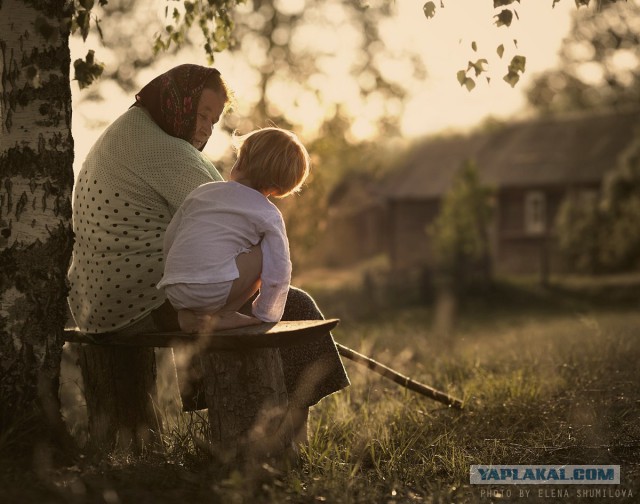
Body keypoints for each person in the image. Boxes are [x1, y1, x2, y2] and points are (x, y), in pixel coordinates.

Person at [67, 64, 349, 434]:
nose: (206, 129)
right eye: (202, 115)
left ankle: (251, 419)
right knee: (294, 306)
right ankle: (280, 437)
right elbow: (237, 234)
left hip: (95, 301)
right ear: (178, 102)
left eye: (214, 121)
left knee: (225, 291)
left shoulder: (129, 130)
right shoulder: (170, 154)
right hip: (138, 303)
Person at [157, 127, 311, 334]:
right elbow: (279, 269)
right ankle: (224, 314)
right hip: (213, 290)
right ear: (280, 187)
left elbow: (171, 237)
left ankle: (189, 315)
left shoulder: (202, 192)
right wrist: (267, 314)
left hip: (174, 289)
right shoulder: (268, 214)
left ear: (241, 162)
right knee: (264, 253)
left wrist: (176, 273)